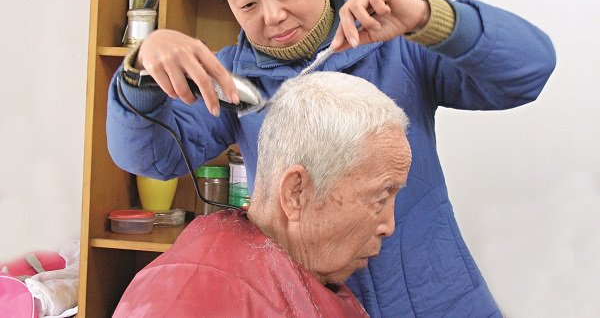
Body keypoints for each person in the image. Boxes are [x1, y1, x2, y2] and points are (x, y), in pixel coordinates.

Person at [107, 0, 556, 317]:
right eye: (247, 4)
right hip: (314, 302)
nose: (273, 15)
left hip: (435, 295)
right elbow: (150, 157)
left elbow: (528, 71)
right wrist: (140, 69)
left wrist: (424, 19)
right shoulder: (230, 81)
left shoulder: (395, 46)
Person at [112, 72, 412, 317]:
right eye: (380, 198)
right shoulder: (191, 299)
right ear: (296, 193)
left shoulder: (310, 271)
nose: (389, 226)